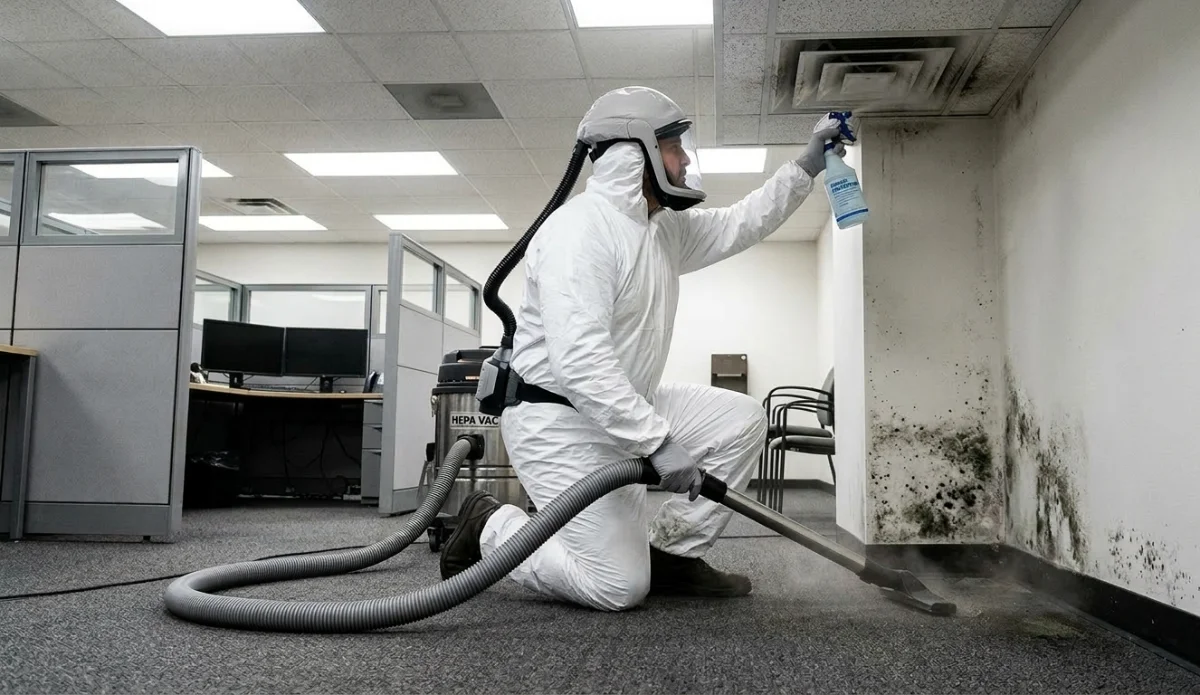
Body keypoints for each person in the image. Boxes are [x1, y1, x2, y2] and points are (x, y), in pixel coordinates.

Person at [439, 86, 850, 610]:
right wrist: (655, 442)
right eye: (675, 147)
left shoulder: (660, 229)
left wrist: (806, 166)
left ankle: (671, 555)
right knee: (617, 587)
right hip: (559, 424)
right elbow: (580, 360)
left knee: (742, 420)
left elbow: (738, 224)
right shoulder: (579, 230)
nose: (684, 160)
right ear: (638, 152)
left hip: (628, 407)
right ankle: (489, 527)